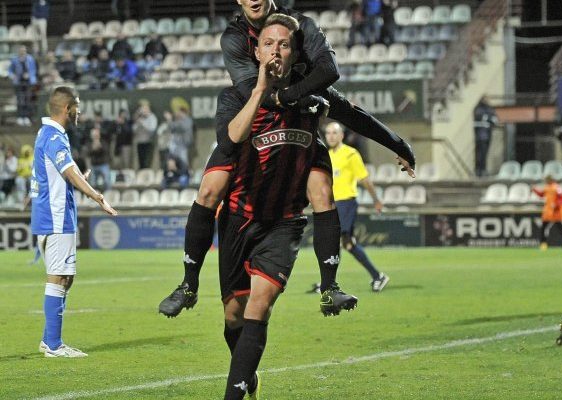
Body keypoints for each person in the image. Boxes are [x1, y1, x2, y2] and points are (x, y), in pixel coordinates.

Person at [158, 0, 415, 318]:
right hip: (253, 117)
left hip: (296, 121)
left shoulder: (302, 25)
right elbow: (257, 91)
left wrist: (398, 144)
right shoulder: (234, 37)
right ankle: (188, 284)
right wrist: (301, 96)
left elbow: (330, 73)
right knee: (210, 188)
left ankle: (329, 288)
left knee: (321, 190)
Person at [214, 15, 337, 398]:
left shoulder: (312, 102)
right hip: (238, 218)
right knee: (234, 314)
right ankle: (246, 371)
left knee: (260, 304)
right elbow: (229, 142)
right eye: (268, 44)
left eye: (284, 44)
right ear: (256, 50)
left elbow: (356, 115)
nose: (275, 50)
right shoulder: (235, 96)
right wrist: (262, 91)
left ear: (293, 51)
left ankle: (233, 393)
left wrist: (398, 146)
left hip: (284, 222)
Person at [31, 86, 117, 358]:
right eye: (78, 106)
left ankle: (49, 341)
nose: (80, 112)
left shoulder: (48, 134)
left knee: (65, 278)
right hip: (55, 218)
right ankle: (54, 346)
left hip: (55, 216)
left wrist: (81, 177)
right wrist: (96, 195)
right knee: (58, 277)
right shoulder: (54, 136)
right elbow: (68, 171)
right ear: (67, 108)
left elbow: (65, 170)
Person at [311, 121, 390, 293]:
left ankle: (328, 282)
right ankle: (377, 276)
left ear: (342, 136)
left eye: (334, 133)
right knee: (348, 244)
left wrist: (376, 200)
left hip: (346, 202)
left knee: (335, 241)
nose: (330, 136)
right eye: (328, 133)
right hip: (332, 204)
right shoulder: (327, 155)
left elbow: (365, 179)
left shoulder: (351, 154)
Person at [531, 175, 562, 251]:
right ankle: (543, 244)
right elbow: (541, 195)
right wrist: (534, 190)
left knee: (561, 228)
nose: (546, 181)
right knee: (544, 228)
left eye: (547, 179)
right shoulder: (547, 187)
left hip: (556, 212)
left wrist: (556, 204)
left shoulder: (556, 187)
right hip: (548, 211)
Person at [8, 45, 37, 127]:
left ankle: (27, 117)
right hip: (18, 82)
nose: (22, 52)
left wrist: (29, 75)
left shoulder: (30, 59)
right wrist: (12, 75)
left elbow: (33, 70)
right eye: (21, 50)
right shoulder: (15, 60)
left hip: (28, 82)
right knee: (20, 99)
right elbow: (10, 70)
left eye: (24, 50)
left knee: (27, 99)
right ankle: (20, 117)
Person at [473, 96, 499, 177]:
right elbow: (480, 117)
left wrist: (490, 119)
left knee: (484, 154)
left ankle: (483, 170)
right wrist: (489, 118)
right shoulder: (478, 109)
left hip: (487, 135)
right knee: (480, 154)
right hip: (480, 136)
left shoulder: (490, 109)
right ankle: (479, 170)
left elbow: (495, 119)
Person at [132, 100, 157, 169]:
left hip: (148, 142)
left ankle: (147, 173)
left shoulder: (152, 117)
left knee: (147, 160)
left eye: (144, 109)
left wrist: (143, 123)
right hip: (140, 141)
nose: (143, 111)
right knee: (141, 160)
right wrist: (138, 121)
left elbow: (152, 129)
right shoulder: (140, 118)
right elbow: (134, 129)